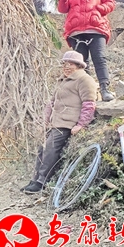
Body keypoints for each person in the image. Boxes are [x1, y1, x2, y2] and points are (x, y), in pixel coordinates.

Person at [21, 51, 97, 193]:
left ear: (79, 66)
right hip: (55, 122)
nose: (66, 67)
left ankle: (42, 182)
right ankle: (34, 179)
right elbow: (51, 103)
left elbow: (89, 104)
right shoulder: (62, 80)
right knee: (42, 148)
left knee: (50, 149)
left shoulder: (84, 80)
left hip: (67, 122)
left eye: (71, 64)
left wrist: (81, 124)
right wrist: (44, 122)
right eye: (64, 64)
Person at [58, 0, 116, 101]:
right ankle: (88, 93)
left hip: (96, 28)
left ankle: (104, 89)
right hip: (76, 31)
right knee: (81, 63)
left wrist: (99, 9)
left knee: (99, 58)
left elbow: (110, 2)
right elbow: (62, 9)